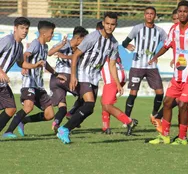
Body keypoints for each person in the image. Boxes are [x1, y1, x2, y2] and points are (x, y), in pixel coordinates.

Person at [57, 12, 137, 144]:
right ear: (103, 23)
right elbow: (76, 55)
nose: (109, 27)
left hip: (94, 76)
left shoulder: (114, 44)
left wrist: (117, 83)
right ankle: (64, 129)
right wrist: (73, 76)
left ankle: (67, 126)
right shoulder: (93, 37)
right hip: (83, 73)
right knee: (88, 104)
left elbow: (112, 64)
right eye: (107, 24)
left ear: (115, 25)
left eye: (112, 24)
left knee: (90, 109)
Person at [148, 0, 188, 145]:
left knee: (183, 105)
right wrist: (156, 56)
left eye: (185, 11)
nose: (182, 14)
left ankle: (182, 137)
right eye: (180, 11)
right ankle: (165, 135)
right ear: (177, 12)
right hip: (177, 76)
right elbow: (167, 45)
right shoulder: (174, 29)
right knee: (167, 102)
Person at [3, 21, 66, 138]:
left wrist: (56, 74)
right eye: (51, 33)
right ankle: (9, 131)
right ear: (44, 33)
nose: (52, 35)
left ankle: (23, 120)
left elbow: (44, 63)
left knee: (49, 114)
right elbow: (26, 54)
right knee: (28, 107)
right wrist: (24, 66)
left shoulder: (45, 47)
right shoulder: (35, 44)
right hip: (29, 84)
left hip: (38, 85)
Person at [121, 6, 167, 125]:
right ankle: (126, 119)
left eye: (152, 14)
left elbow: (168, 44)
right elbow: (125, 42)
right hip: (137, 65)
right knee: (133, 93)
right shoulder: (137, 28)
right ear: (144, 15)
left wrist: (156, 56)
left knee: (160, 92)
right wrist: (127, 46)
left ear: (155, 16)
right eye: (147, 13)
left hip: (151, 67)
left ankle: (154, 114)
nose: (149, 15)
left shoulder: (160, 31)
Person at [0, 17, 44, 135]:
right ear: (15, 28)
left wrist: (34, 65)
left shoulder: (19, 46)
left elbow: (21, 63)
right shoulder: (8, 40)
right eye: (22, 28)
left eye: (26, 28)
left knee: (11, 109)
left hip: (2, 83)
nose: (24, 31)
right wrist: (1, 71)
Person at [48, 26, 88, 133]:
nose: (84, 43)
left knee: (62, 107)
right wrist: (63, 50)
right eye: (84, 40)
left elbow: (50, 52)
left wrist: (61, 48)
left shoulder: (64, 44)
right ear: (79, 38)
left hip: (55, 79)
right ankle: (72, 113)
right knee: (87, 96)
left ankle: (56, 123)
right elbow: (50, 53)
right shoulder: (72, 47)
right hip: (67, 77)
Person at [101, 53, 138, 135]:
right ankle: (105, 128)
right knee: (104, 101)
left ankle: (129, 122)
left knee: (107, 105)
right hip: (120, 76)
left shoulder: (103, 46)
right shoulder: (111, 45)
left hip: (112, 78)